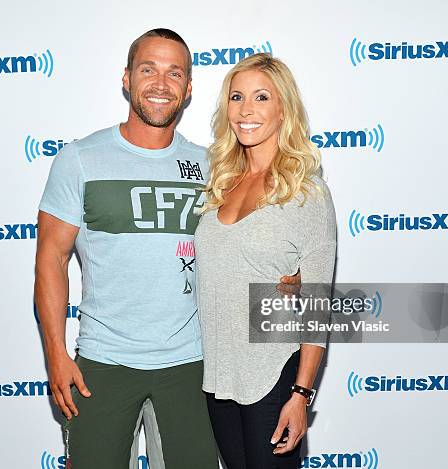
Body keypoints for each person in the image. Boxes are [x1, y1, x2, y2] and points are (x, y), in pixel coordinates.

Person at [34, 30, 301, 468]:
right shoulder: (80, 159)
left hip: (192, 367)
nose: (161, 83)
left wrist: (293, 277)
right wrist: (56, 355)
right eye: (148, 69)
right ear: (126, 79)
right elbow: (51, 259)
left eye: (174, 72)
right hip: (102, 363)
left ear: (189, 88)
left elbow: (251, 242)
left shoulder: (215, 165)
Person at [194, 53, 337, 468]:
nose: (246, 110)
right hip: (219, 377)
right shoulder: (221, 182)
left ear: (283, 109)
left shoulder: (306, 191)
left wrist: (301, 395)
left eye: (261, 97)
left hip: (274, 375)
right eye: (237, 97)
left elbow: (317, 304)